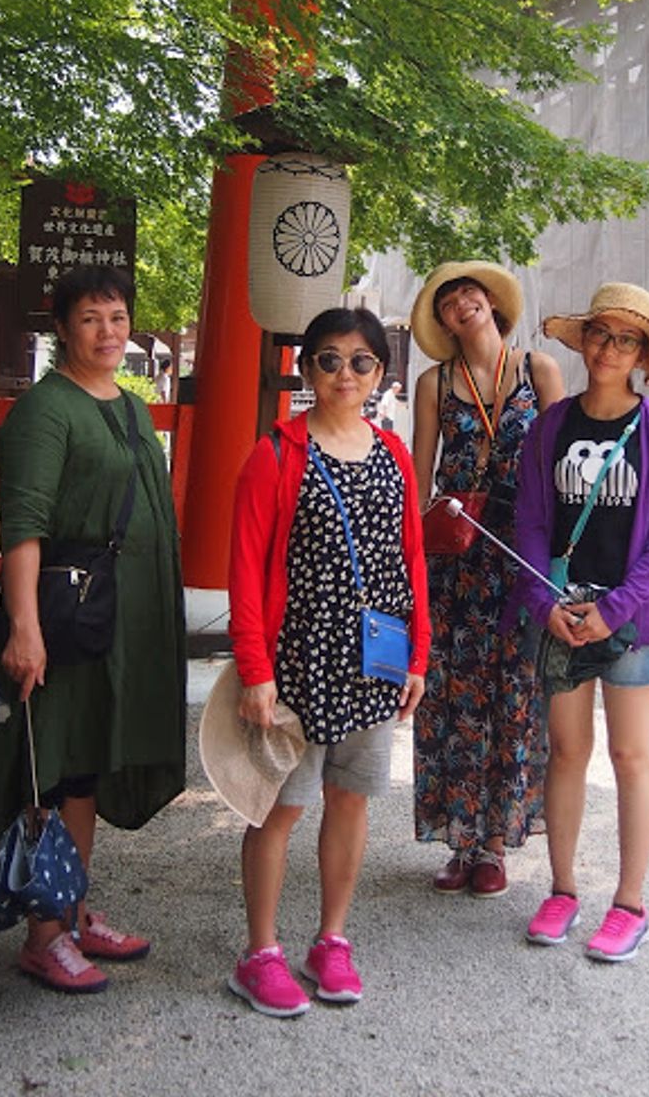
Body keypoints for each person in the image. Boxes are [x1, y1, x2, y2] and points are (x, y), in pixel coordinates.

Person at [0, 264, 186, 994]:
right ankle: (43, 935)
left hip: (113, 621)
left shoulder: (128, 406)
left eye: (117, 317)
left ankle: (70, 906)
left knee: (82, 767)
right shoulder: (45, 411)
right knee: (47, 769)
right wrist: (24, 627)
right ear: (62, 329)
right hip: (64, 617)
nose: (107, 331)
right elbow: (23, 524)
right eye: (90, 318)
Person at [227, 307, 430, 1018]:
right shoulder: (277, 452)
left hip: (375, 661)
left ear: (380, 372)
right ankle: (260, 952)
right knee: (278, 809)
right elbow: (246, 568)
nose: (345, 374)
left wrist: (418, 657)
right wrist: (255, 667)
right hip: (298, 662)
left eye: (361, 361)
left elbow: (409, 562)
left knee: (352, 799)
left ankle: (331, 940)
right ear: (307, 368)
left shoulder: (394, 454)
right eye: (329, 359)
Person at [506, 282, 649, 962]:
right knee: (567, 751)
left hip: (636, 620)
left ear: (642, 354)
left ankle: (630, 903)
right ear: (581, 339)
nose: (609, 348)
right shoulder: (551, 428)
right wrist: (542, 604)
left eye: (626, 339)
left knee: (630, 754)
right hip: (561, 613)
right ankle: (560, 888)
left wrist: (611, 608)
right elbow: (529, 520)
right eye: (600, 333)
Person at [410, 261, 563, 897]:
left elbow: (561, 464)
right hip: (457, 554)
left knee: (515, 692)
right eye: (447, 301)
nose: (460, 304)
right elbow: (420, 472)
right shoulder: (433, 381)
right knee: (453, 693)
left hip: (521, 552)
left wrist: (562, 559)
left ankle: (496, 842)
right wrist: (408, 557)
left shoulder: (539, 369)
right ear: (442, 322)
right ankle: (459, 838)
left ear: (491, 301)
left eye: (468, 292)